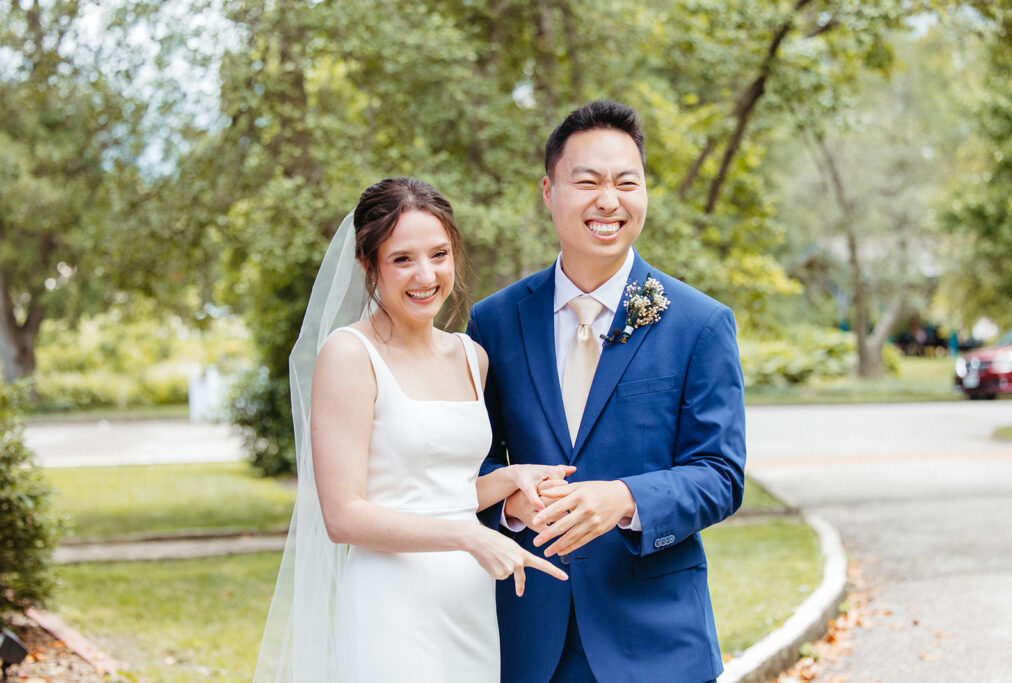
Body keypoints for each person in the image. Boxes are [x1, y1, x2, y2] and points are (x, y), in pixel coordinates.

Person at [468, 101, 746, 682]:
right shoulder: (494, 323)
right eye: (587, 181)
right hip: (528, 635)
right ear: (548, 191)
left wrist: (624, 499)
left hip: (658, 640)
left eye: (627, 182)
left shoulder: (699, 322)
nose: (608, 200)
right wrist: (512, 500)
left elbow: (721, 474)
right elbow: (472, 460)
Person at [253, 177, 568, 682]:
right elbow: (343, 515)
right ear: (368, 266)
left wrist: (512, 478)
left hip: (468, 604)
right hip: (389, 606)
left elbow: (443, 492)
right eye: (402, 259)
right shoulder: (350, 355)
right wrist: (469, 538)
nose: (426, 275)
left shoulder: (472, 356)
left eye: (439, 254)